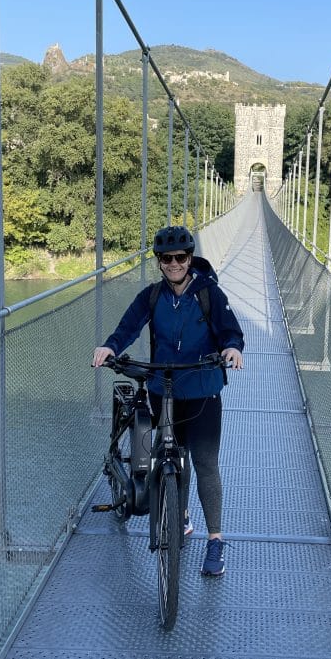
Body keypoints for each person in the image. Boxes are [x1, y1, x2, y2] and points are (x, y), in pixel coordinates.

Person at [92, 225, 244, 576]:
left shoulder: (209, 294)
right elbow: (129, 325)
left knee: (205, 462)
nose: (174, 264)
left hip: (203, 388)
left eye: (181, 258)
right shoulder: (152, 296)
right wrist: (111, 346)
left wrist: (232, 347)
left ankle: (216, 540)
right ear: (159, 262)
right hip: (163, 388)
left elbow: (229, 329)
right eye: (167, 259)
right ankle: (181, 515)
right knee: (174, 455)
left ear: (190, 259)